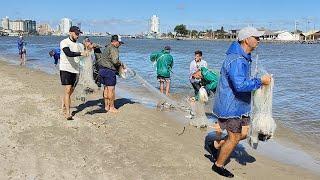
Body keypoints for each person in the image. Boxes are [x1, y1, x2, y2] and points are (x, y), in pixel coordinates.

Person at [210, 27, 271, 178]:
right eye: (256, 37)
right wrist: (260, 81)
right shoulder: (237, 59)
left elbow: (242, 81)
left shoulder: (243, 56)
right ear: (246, 40)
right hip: (231, 106)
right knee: (235, 137)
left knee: (244, 133)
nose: (259, 40)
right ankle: (218, 165)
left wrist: (259, 81)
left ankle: (216, 145)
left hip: (239, 105)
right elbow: (240, 85)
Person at [59, 26, 88, 120]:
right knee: (67, 90)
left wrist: (87, 52)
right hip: (65, 68)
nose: (77, 35)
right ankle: (68, 113)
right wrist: (80, 53)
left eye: (78, 33)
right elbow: (68, 53)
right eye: (76, 33)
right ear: (70, 33)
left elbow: (82, 58)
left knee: (71, 90)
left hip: (75, 70)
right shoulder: (64, 42)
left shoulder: (79, 45)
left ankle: (64, 102)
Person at [96, 35, 124, 113]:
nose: (120, 45)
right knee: (111, 89)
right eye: (119, 43)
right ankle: (112, 107)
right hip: (109, 71)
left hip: (102, 70)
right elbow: (115, 61)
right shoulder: (114, 48)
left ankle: (106, 106)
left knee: (105, 89)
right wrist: (121, 63)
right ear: (115, 41)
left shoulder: (107, 47)